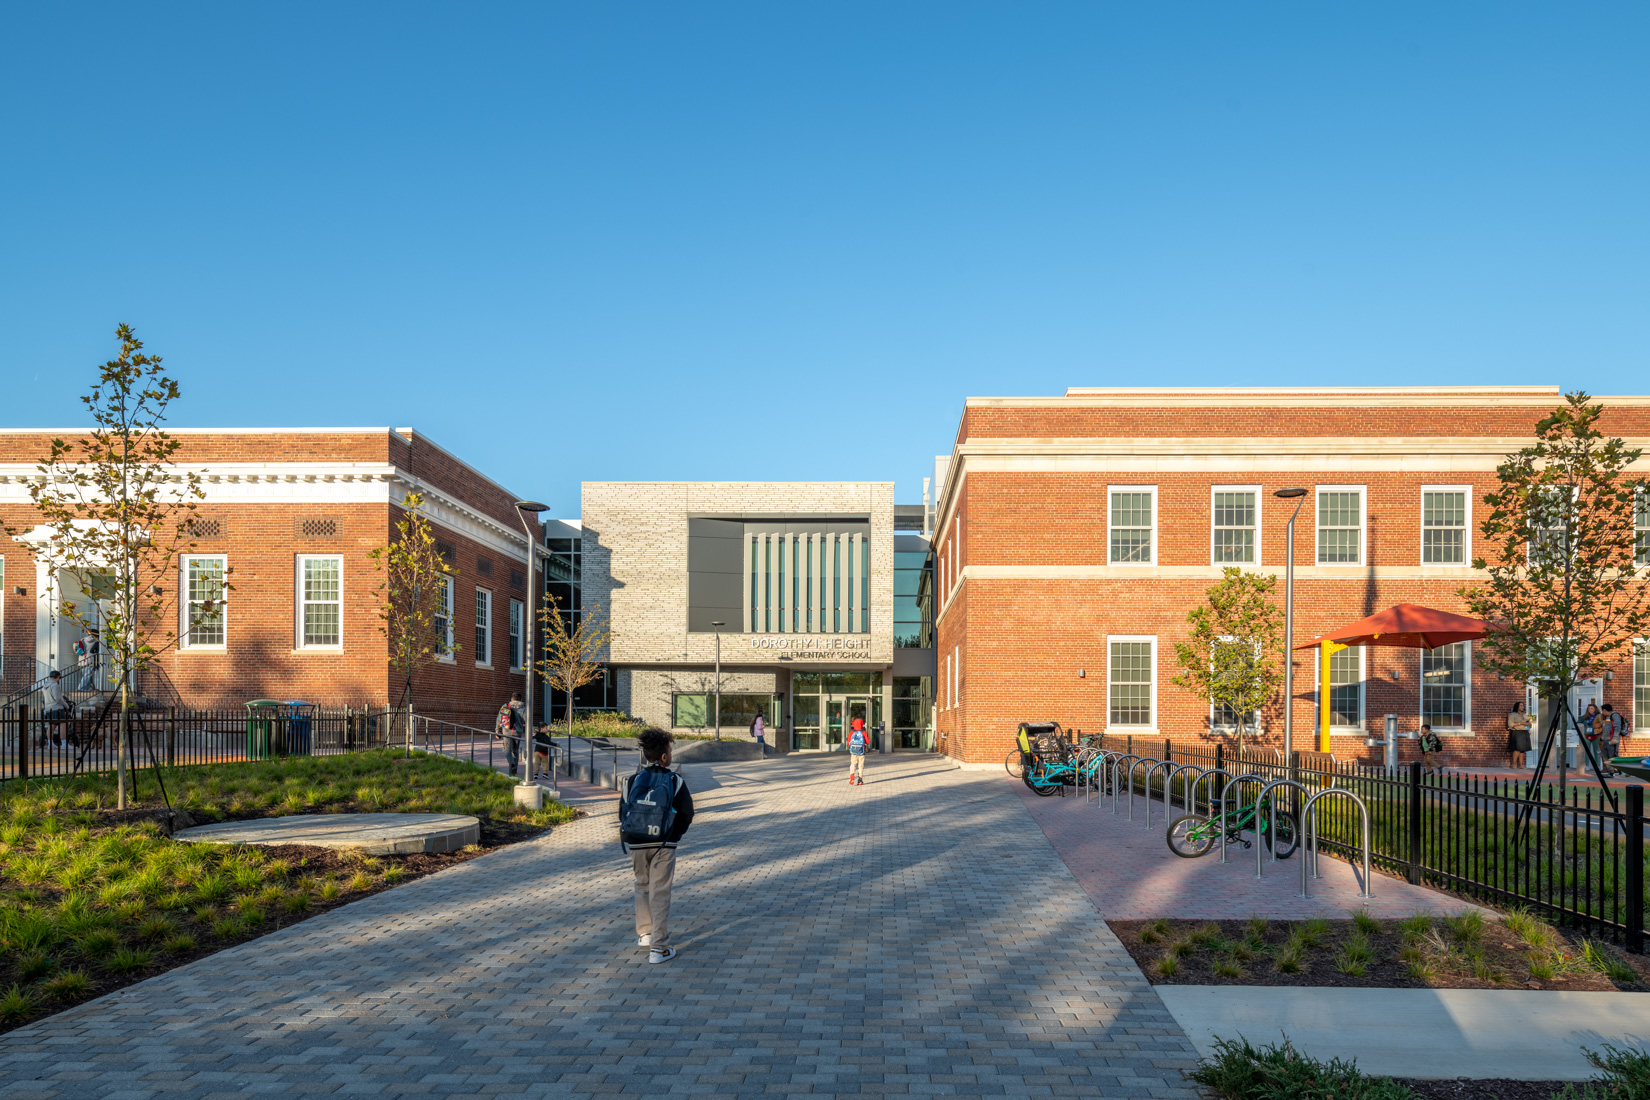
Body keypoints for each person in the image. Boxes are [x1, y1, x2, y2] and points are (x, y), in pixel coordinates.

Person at [620, 728, 694, 964]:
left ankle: (645, 933)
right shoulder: (674, 779)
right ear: (664, 757)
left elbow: (623, 811)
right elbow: (687, 813)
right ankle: (659, 948)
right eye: (670, 751)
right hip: (664, 843)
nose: (671, 755)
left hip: (636, 842)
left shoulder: (632, 780)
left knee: (642, 886)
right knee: (660, 892)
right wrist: (674, 835)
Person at [40, 671, 69, 749]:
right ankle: (64, 744)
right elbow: (57, 698)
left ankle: (50, 744)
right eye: (59, 677)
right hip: (57, 708)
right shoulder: (55, 685)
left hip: (49, 708)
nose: (59, 679)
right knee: (63, 724)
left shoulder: (45, 686)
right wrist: (66, 705)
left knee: (51, 726)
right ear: (58, 677)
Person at [499, 691, 525, 777]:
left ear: (511, 699)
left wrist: (497, 731)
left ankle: (511, 763)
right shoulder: (523, 709)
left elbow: (499, 719)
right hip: (517, 733)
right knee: (515, 751)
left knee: (507, 751)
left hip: (506, 732)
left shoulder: (505, 706)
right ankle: (514, 769)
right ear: (521, 699)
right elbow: (527, 721)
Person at [1600, 704, 1629, 777]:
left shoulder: (1615, 715)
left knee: (1613, 756)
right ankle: (1611, 772)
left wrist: (1615, 738)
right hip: (1606, 739)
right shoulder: (1607, 717)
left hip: (1612, 739)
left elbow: (1617, 727)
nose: (1602, 712)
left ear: (1604, 710)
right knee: (1606, 756)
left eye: (1602, 711)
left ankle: (1627, 770)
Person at [1506, 702, 1532, 770]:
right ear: (1517, 706)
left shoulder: (1525, 715)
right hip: (1517, 732)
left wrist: (1529, 725)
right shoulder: (1512, 714)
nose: (1522, 707)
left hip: (1525, 732)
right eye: (1521, 706)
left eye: (1523, 706)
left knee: (1523, 750)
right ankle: (1514, 764)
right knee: (1517, 749)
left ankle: (1520, 764)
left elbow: (1528, 723)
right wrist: (1521, 723)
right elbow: (1510, 724)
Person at [847, 716, 868, 785]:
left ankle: (852, 775)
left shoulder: (852, 732)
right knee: (860, 766)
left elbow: (849, 742)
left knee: (853, 764)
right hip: (861, 752)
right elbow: (867, 741)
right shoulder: (863, 732)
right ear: (862, 724)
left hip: (853, 752)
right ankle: (860, 780)